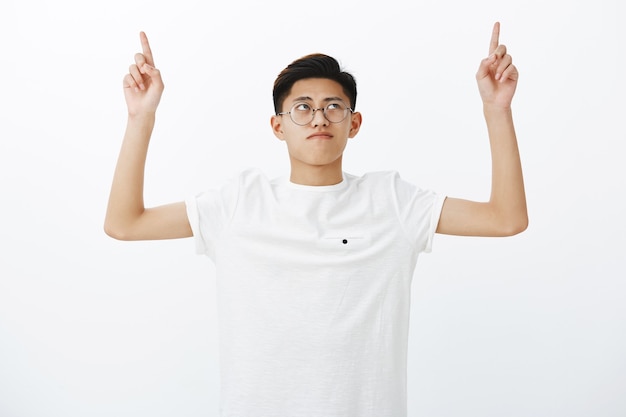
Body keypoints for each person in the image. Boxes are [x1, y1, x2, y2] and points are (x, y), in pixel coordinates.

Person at [105, 22, 527, 417]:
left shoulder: (392, 201)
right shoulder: (239, 203)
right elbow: (125, 224)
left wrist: (497, 109)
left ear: (354, 123)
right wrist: (141, 116)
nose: (319, 118)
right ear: (278, 126)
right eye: (302, 108)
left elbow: (505, 218)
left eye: (333, 107)